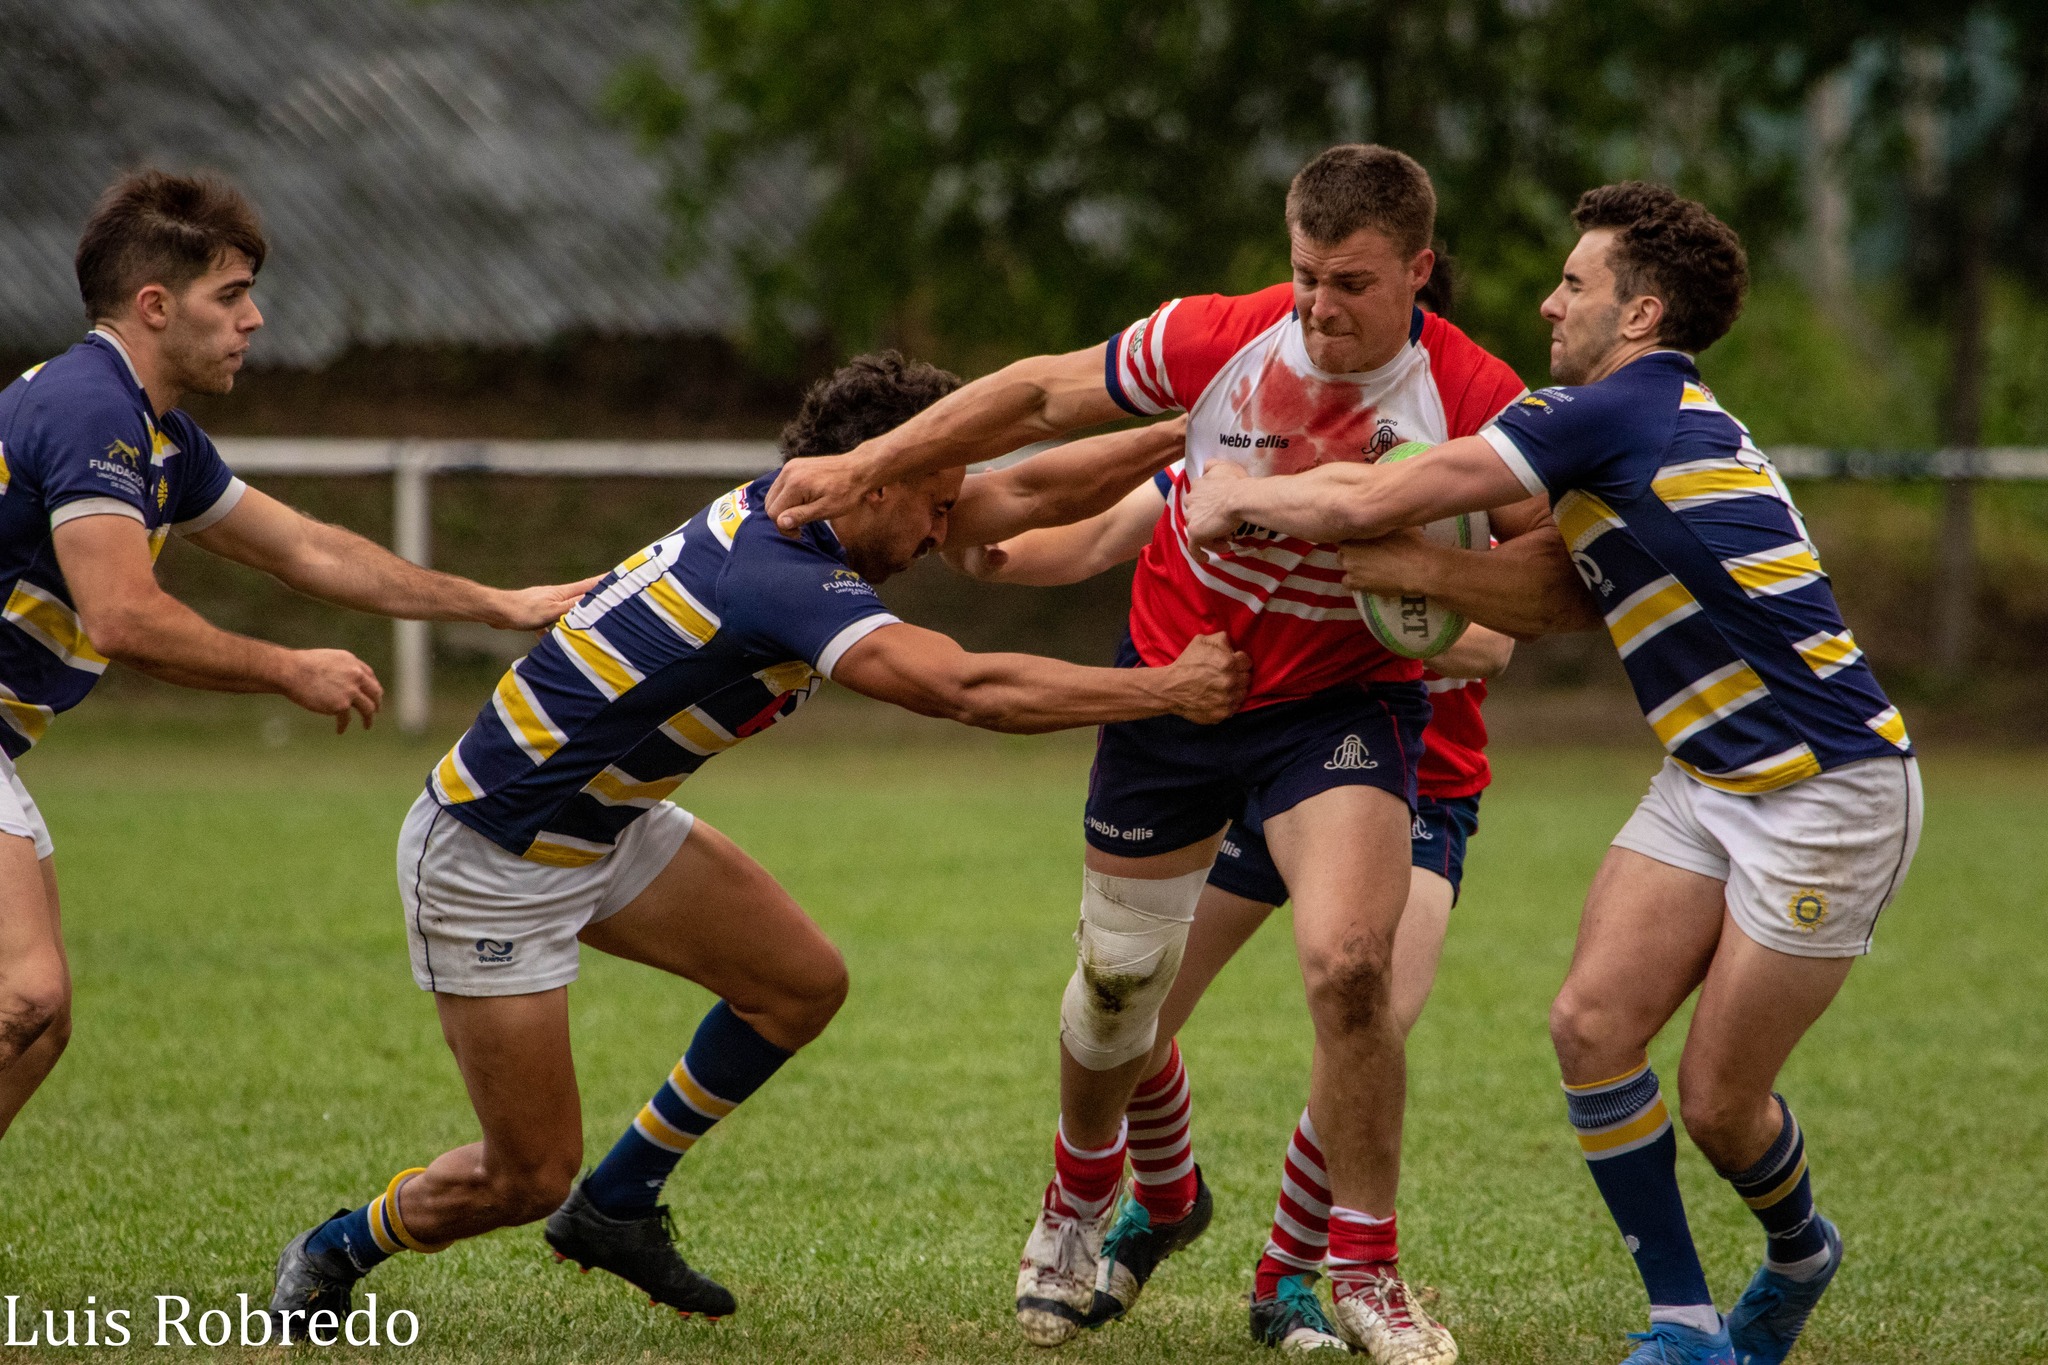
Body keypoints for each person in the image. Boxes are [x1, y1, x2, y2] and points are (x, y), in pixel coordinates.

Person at [765, 144, 1591, 1364]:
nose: (1318, 308)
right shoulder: (1221, 339)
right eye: (1305, 274)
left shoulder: (1473, 392)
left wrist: (1419, 570)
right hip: (1171, 703)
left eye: (1351, 283)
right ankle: (1078, 1199)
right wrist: (870, 464)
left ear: (1418, 270)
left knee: (1353, 972)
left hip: (1337, 712)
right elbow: (1046, 395)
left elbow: (1555, 586)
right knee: (1113, 1004)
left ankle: (1360, 1269)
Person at [265, 353, 1248, 1342]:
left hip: (604, 821)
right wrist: (1162, 689)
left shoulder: (804, 508)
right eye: (936, 504)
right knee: (522, 1175)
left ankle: (618, 1202)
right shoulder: (782, 574)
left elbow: (1026, 489)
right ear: (874, 476)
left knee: (797, 984)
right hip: (492, 853)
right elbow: (965, 690)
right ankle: (337, 1247)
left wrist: (1193, 434)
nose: (945, 530)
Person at [1182, 182, 1919, 1365]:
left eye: (1573, 283)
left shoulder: (1614, 410)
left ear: (1637, 315)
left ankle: (1795, 1252)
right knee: (1586, 1027)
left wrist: (1241, 498)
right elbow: (1570, 597)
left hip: (1827, 785)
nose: (1546, 299)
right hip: (1705, 775)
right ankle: (1683, 1326)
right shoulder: (1616, 421)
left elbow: (1382, 492)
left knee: (1721, 1105)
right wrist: (1408, 565)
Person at [948, 444, 1593, 1351]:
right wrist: (999, 553)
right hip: (1265, 762)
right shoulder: (1262, 442)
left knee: (1368, 1018)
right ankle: (1166, 1195)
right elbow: (1113, 527)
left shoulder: (1449, 466)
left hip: (1416, 780)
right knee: (1131, 1004)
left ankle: (1285, 1273)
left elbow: (1492, 642)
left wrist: (1368, 575)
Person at [0, 170, 595, 1140]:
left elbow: (308, 549)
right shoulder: (86, 411)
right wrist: (286, 667)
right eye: (230, 296)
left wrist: (495, 604)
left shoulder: (158, 438)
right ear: (154, 306)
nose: (256, 319)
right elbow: (122, 617)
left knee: (42, 1020)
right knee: (22, 995)